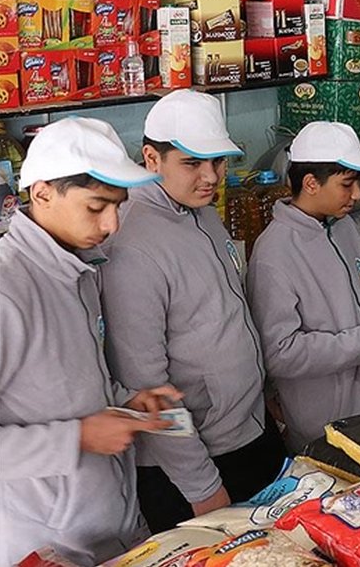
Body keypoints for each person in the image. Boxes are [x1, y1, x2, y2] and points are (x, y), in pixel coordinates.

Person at [100, 90, 286, 532]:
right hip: (196, 464)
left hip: (249, 431)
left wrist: (261, 392)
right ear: (152, 158)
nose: (211, 177)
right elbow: (146, 384)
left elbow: (226, 318)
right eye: (192, 163)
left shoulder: (201, 213)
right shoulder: (132, 247)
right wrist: (201, 486)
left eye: (218, 162)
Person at [0, 118, 180, 566]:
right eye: (97, 206)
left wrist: (125, 402)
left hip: (114, 521)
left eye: (117, 206)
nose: (112, 224)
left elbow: (66, 383)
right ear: (42, 193)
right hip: (47, 544)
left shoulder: (78, 267)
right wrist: (77, 437)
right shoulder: (6, 290)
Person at [247, 122, 360, 452]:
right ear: (311, 183)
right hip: (332, 425)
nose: (358, 195)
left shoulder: (344, 226)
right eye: (347, 185)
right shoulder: (275, 253)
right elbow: (281, 353)